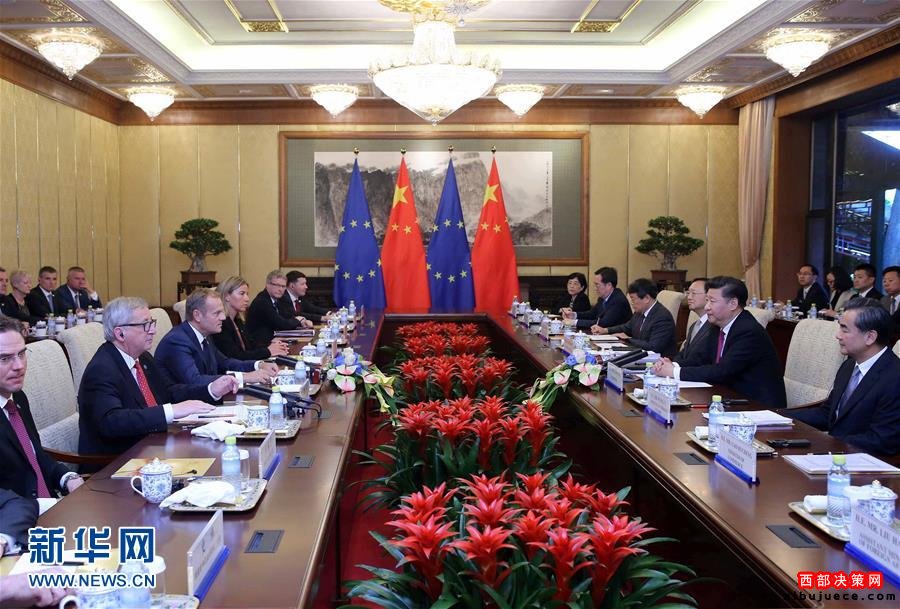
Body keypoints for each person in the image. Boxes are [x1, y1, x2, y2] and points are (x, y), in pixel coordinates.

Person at [78, 297, 236, 460]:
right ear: (120, 333)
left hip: (153, 447)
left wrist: (210, 390)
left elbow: (169, 393)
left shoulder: (143, 358)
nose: (153, 330)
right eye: (145, 325)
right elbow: (112, 422)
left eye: (152, 323)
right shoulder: (102, 369)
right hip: (118, 461)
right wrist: (171, 411)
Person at [786, 300, 900, 456]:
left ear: (870, 337)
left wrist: (826, 446)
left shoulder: (894, 378)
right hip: (836, 452)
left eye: (844, 329)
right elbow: (827, 414)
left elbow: (882, 440)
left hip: (866, 462)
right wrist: (778, 416)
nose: (837, 335)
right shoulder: (849, 365)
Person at [653, 276, 786, 408]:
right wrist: (671, 365)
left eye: (712, 301)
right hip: (726, 397)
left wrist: (674, 372)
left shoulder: (749, 331)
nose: (707, 307)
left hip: (756, 406)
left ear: (733, 304)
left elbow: (723, 371)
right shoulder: (717, 325)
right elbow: (700, 359)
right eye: (707, 300)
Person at [0, 317, 83, 499]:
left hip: (52, 505)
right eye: (5, 358)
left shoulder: (18, 397)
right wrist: (38, 506)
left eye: (21, 354)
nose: (19, 366)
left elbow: (33, 453)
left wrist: (66, 478)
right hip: (20, 513)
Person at [155, 288, 278, 387]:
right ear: (197, 315)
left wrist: (259, 365)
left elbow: (225, 363)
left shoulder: (204, 335)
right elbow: (195, 380)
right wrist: (245, 377)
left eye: (222, 312)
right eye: (217, 313)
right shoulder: (177, 341)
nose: (223, 318)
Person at [592, 278, 677, 356]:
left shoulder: (662, 317)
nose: (632, 303)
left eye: (633, 299)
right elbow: (627, 327)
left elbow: (653, 346)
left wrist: (628, 339)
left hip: (658, 361)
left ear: (646, 298)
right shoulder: (640, 311)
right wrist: (605, 330)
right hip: (639, 354)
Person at [213, 276, 289, 360]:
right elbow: (235, 356)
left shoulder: (237, 320)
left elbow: (251, 345)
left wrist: (271, 345)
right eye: (242, 293)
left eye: (247, 294)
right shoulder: (221, 323)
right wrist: (268, 351)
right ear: (227, 296)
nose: (247, 299)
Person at [246, 270, 312, 345]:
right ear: (267, 285)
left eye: (283, 286)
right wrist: (298, 320)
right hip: (259, 345)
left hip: (272, 340)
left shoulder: (277, 299)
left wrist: (302, 321)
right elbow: (282, 324)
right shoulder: (262, 301)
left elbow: (288, 316)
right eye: (277, 285)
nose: (280, 289)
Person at [561, 267, 631, 331]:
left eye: (597, 285)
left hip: (619, 338)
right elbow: (592, 314)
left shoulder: (618, 300)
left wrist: (574, 322)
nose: (595, 288)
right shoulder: (602, 298)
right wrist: (574, 315)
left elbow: (603, 323)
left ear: (609, 285)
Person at [675, 278, 714, 363]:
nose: (689, 297)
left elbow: (701, 360)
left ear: (709, 296)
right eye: (688, 293)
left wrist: (675, 368)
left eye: (693, 293)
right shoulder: (694, 325)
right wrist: (672, 364)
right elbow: (685, 353)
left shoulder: (715, 327)